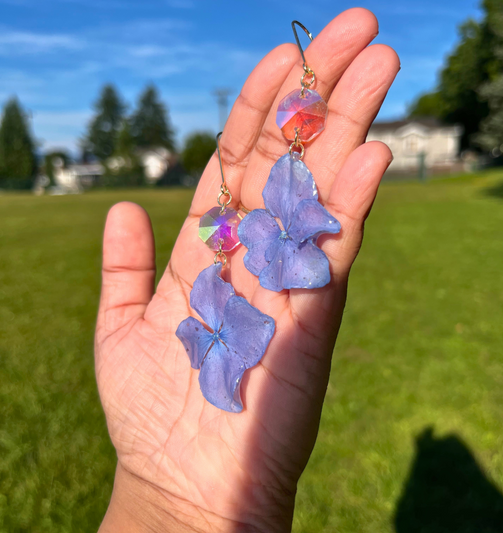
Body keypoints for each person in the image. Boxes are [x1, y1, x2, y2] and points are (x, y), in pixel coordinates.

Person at [95, 8, 400, 532]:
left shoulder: (288, 210)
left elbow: (303, 233)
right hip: (240, 268)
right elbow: (216, 311)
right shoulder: (235, 253)